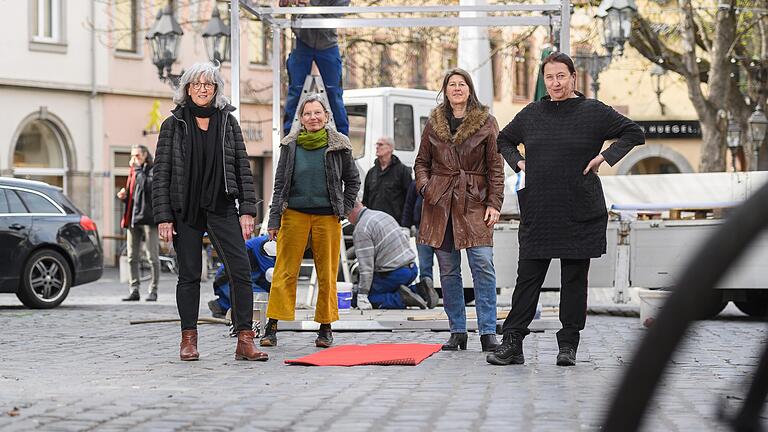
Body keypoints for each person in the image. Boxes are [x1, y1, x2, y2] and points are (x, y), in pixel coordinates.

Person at [487, 52, 645, 367]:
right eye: (550, 77)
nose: (555, 83)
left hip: (579, 207)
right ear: (544, 80)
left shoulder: (593, 111)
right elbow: (503, 139)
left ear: (573, 77)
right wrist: (519, 163)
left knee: (574, 280)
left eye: (561, 76)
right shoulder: (532, 113)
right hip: (540, 209)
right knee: (527, 278)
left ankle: (568, 345)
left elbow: (634, 133)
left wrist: (604, 157)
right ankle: (513, 343)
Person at [153, 62, 268, 362]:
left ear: (216, 89)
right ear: (187, 88)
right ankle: (188, 339)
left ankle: (245, 339)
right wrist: (164, 216)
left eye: (208, 84)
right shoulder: (173, 124)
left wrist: (247, 210)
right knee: (189, 275)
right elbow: (161, 173)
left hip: (221, 205)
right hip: (185, 209)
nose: (202, 89)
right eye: (196, 84)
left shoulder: (228, 123)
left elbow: (243, 169)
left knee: (241, 271)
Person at [414, 68, 505, 352]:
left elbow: (496, 168)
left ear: (469, 89)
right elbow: (420, 163)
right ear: (445, 90)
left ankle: (488, 331)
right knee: (449, 270)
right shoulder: (434, 123)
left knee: (483, 266)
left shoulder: (487, 122)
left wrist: (494, 203)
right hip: (440, 204)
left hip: (474, 201)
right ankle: (457, 331)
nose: (456, 88)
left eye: (461, 84)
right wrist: (427, 189)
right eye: (451, 84)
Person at [261, 94, 360, 348]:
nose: (313, 118)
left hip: (327, 217)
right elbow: (280, 184)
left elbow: (353, 181)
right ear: (301, 119)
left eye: (317, 113)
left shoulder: (340, 144)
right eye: (307, 114)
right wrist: (274, 220)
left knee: (327, 273)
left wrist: (344, 209)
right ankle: (272, 326)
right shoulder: (290, 145)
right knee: (284, 271)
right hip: (293, 214)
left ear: (326, 116)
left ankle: (325, 328)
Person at [347, 201, 438, 310]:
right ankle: (420, 290)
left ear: (350, 211)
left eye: (345, 215)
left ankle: (401, 299)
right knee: (382, 289)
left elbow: (366, 268)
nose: (347, 220)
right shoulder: (382, 215)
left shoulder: (362, 229)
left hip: (394, 274)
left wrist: (362, 294)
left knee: (360, 298)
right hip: (412, 269)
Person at [281, 0, 350, 136]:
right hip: (302, 41)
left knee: (334, 92)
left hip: (328, 44)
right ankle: (288, 134)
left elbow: (332, 19)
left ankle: (343, 135)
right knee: (295, 90)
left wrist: (309, 6)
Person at [117, 144, 160, 302]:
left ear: (145, 156)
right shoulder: (134, 173)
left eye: (137, 156)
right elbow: (133, 196)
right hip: (133, 219)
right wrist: (123, 196)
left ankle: (153, 290)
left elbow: (147, 186)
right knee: (131, 256)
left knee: (152, 257)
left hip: (149, 220)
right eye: (133, 156)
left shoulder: (152, 170)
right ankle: (134, 289)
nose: (134, 159)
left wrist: (137, 169)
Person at [209, 234, 276, 319]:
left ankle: (223, 304)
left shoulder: (271, 241)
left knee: (263, 300)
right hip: (228, 278)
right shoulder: (268, 245)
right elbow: (271, 275)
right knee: (262, 301)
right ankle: (223, 305)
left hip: (246, 277)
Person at [362, 136, 413, 223]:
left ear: (390, 148)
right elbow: (365, 201)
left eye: (380, 144)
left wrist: (405, 224)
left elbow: (409, 201)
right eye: (377, 144)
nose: (377, 147)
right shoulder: (371, 172)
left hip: (395, 223)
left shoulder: (402, 171)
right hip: (374, 222)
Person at [401, 180, 435, 293]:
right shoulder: (416, 183)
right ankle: (427, 293)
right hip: (422, 228)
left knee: (447, 266)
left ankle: (445, 295)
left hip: (441, 227)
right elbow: (408, 205)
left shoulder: (444, 179)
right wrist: (405, 226)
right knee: (425, 265)